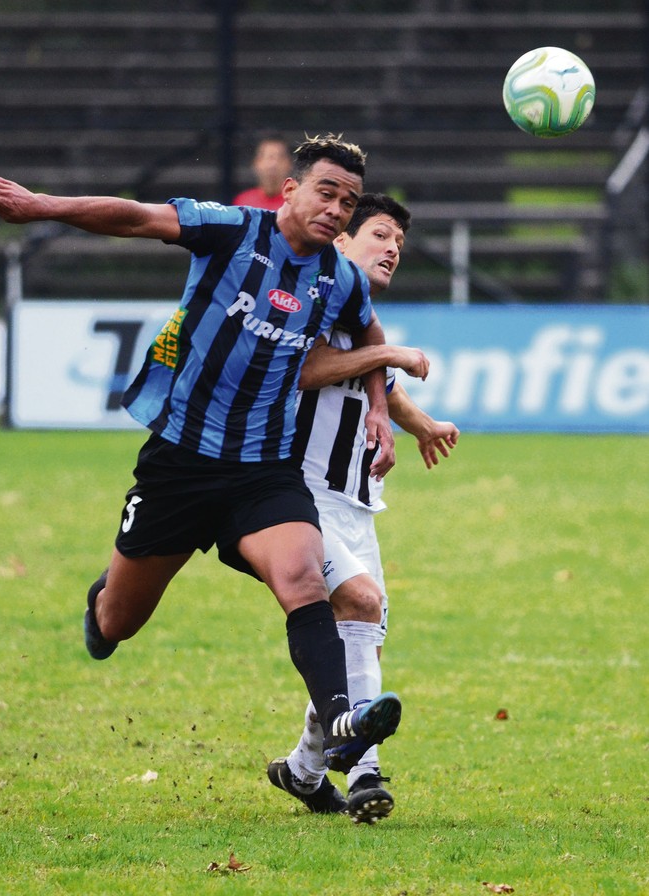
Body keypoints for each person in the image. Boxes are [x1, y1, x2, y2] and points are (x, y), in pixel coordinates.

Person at [0, 136, 429, 776]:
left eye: (348, 202)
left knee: (301, 579)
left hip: (262, 473)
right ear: (289, 190)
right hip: (180, 464)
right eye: (326, 192)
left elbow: (367, 325)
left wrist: (379, 403)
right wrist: (40, 205)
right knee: (118, 623)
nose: (336, 211)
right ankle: (104, 605)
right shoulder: (233, 229)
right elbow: (135, 216)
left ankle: (343, 725)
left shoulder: (339, 276)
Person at [266, 193, 459, 822]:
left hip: (355, 503)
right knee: (364, 605)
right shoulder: (314, 302)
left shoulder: (361, 318)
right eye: (380, 234)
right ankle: (367, 770)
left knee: (362, 648)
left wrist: (424, 425)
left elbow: (387, 390)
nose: (393, 248)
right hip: (299, 497)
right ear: (341, 242)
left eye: (399, 242)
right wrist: (389, 353)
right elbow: (311, 369)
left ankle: (302, 769)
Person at [232, 133, 293, 211]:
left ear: (289, 163)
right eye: (268, 157)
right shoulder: (242, 202)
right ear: (256, 163)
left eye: (279, 157)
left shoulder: (296, 201)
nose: (273, 164)